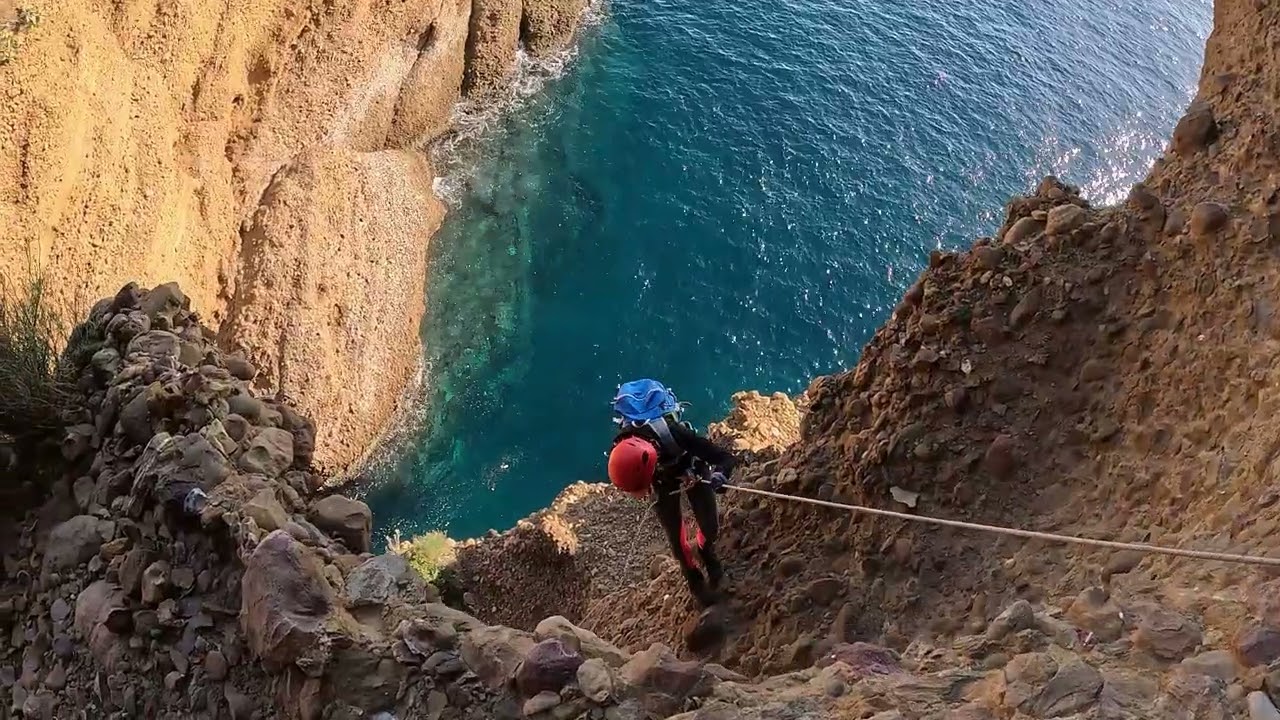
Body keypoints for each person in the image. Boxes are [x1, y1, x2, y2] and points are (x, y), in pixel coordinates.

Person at [608, 393, 735, 607]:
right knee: (677, 541)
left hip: (691, 467)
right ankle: (694, 580)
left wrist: (719, 475)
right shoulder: (625, 448)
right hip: (661, 478)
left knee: (710, 526)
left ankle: (706, 551)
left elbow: (725, 458)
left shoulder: (676, 434)